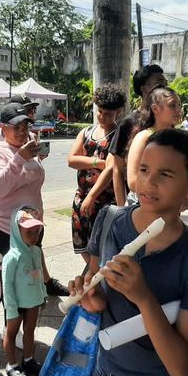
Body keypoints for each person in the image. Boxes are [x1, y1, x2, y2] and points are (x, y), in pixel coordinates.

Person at [69, 129, 188, 376]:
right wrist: (90, 298)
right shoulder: (110, 220)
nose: (149, 182)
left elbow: (181, 367)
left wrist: (144, 298)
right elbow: (98, 292)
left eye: (165, 174)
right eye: (144, 169)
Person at [0, 102, 67, 370]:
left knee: (23, 286)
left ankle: (14, 330)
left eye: (26, 125)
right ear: (3, 128)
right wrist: (20, 158)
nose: (23, 131)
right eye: (16, 126)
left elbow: (30, 181)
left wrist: (31, 158)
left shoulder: (28, 149)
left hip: (29, 231)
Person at [68, 85, 126, 262]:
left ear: (118, 112)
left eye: (107, 113)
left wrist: (92, 196)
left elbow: (110, 170)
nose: (102, 116)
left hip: (105, 202)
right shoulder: (86, 132)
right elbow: (72, 160)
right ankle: (93, 275)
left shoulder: (119, 135)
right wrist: (98, 162)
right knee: (82, 244)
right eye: (100, 111)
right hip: (82, 197)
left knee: (102, 247)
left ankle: (98, 278)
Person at [109, 64, 166, 206]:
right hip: (136, 203)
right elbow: (117, 169)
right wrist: (122, 209)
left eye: (166, 84)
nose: (164, 87)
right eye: (159, 83)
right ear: (144, 89)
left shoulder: (166, 122)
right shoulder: (128, 124)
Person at [2, 206, 47, 376]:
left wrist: (42, 294)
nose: (34, 236)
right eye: (29, 232)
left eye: (37, 231)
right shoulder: (11, 257)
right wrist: (11, 307)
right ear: (16, 230)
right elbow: (7, 285)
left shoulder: (36, 251)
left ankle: (28, 359)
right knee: (11, 333)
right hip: (17, 304)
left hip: (33, 300)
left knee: (30, 331)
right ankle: (11, 364)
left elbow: (39, 274)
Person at [126, 86, 183, 203]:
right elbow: (132, 181)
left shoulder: (177, 138)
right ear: (155, 109)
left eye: (179, 105)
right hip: (143, 206)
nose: (178, 110)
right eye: (172, 105)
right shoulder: (143, 138)